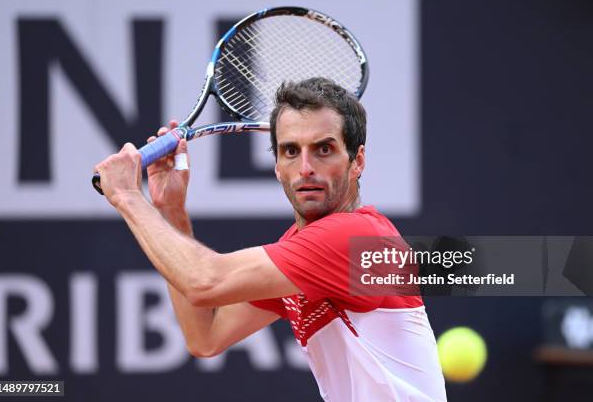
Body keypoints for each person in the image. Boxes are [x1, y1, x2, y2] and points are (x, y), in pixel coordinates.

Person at [94, 77, 447, 401]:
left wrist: (127, 196)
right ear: (277, 165)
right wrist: (171, 211)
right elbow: (206, 336)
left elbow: (205, 282)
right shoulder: (302, 247)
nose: (305, 167)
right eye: (291, 151)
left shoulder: (352, 237)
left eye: (323, 149)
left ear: (358, 161)